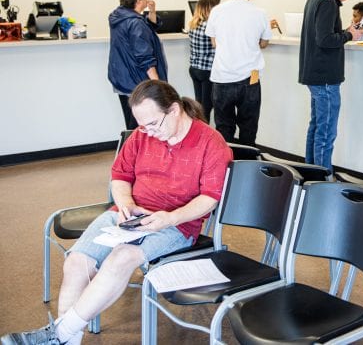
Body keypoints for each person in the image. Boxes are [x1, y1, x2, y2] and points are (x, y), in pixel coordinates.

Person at [1, 80, 232, 345]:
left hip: (176, 224)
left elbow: (210, 198)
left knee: (121, 258)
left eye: (153, 124)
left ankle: (59, 334)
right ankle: (66, 338)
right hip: (128, 215)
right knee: (76, 262)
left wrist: (170, 217)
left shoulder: (210, 143)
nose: (148, 132)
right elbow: (120, 175)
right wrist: (125, 203)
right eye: (142, 126)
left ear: (175, 110)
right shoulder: (142, 135)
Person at [299, 0, 363, 173]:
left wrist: (344, 33)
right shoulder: (328, 2)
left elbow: (321, 36)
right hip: (325, 77)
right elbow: (325, 40)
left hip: (315, 74)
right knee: (326, 132)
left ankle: (310, 174)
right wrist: (349, 36)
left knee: (316, 127)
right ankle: (323, 180)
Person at [206, 0, 273, 146]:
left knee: (224, 127)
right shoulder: (260, 13)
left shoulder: (217, 11)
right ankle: (247, 166)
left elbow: (214, 43)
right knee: (248, 127)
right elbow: (264, 43)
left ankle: (226, 167)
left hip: (221, 78)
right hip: (250, 78)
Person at [107, 0, 167, 130]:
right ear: (139, 1)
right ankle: (131, 153)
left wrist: (152, 11)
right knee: (140, 128)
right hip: (137, 82)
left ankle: (127, 152)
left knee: (131, 125)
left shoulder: (118, 17)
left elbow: (149, 28)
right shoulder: (135, 23)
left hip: (122, 79)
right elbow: (145, 57)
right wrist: (158, 85)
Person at [188, 0, 220, 122]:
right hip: (207, 71)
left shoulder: (193, 24)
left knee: (199, 106)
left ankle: (198, 135)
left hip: (195, 69)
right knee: (206, 108)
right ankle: (203, 137)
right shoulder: (210, 26)